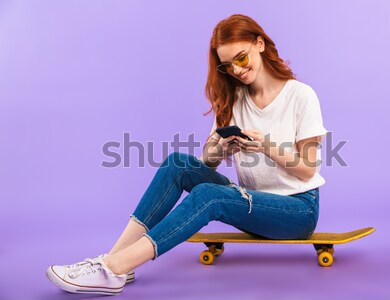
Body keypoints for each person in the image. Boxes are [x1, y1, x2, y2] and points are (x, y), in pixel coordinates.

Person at [46, 13, 327, 296]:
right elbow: (206, 165)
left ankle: (112, 268)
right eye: (228, 66)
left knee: (209, 196)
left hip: (297, 211)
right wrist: (220, 148)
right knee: (178, 165)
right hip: (253, 206)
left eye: (241, 58)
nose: (237, 71)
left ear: (260, 44)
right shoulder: (234, 100)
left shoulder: (301, 96)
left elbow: (308, 170)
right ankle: (114, 261)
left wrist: (266, 146)